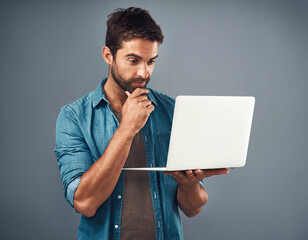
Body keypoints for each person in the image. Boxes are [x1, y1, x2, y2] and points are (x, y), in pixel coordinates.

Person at [54, 7, 228, 240]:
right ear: (108, 55)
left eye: (151, 62)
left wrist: (189, 185)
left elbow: (192, 208)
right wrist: (127, 127)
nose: (143, 73)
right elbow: (85, 203)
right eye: (133, 60)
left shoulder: (174, 111)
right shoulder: (74, 117)